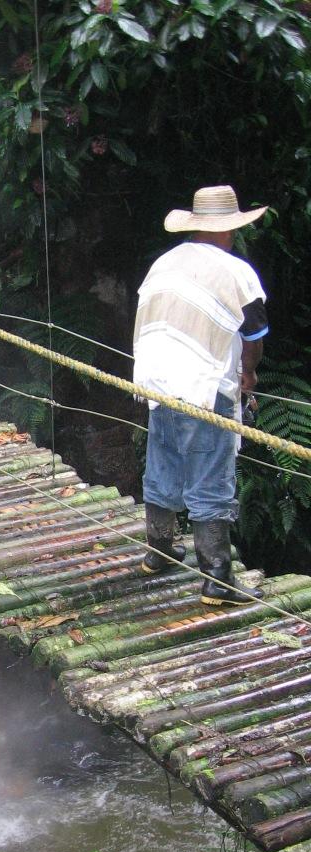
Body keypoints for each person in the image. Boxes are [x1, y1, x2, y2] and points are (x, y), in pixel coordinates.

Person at [132, 184, 269, 605]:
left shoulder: (164, 262)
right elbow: (255, 334)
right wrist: (249, 374)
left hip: (155, 380)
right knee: (211, 476)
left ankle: (158, 551)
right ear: (230, 229)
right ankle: (217, 578)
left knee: (164, 460)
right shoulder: (237, 272)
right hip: (205, 386)